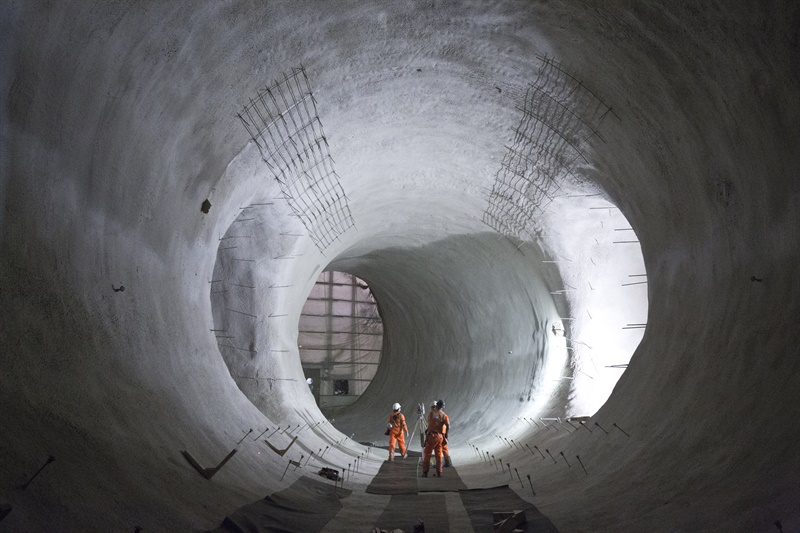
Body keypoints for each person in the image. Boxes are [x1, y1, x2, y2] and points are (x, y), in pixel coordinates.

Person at [422, 399, 450, 477]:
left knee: (427, 454)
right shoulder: (444, 415)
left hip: (431, 436)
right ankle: (439, 472)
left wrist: (428, 430)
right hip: (440, 436)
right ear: (443, 407)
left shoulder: (430, 414)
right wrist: (446, 435)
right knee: (438, 455)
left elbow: (430, 423)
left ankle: (425, 473)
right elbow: (448, 426)